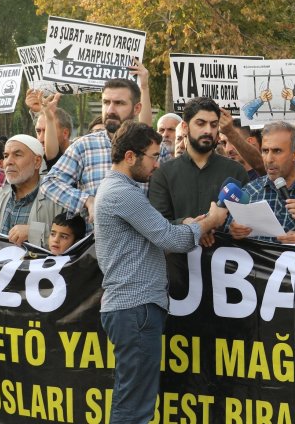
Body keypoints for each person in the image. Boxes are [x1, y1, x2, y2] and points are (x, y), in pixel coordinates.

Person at [95, 121, 227, 424]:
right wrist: (211, 221)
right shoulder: (122, 193)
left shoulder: (118, 189)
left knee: (133, 399)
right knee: (135, 406)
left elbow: (161, 233)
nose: (157, 165)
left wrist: (192, 225)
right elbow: (170, 239)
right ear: (130, 156)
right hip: (136, 307)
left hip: (133, 307)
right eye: (153, 156)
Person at [41, 78, 169, 223]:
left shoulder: (157, 149)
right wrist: (87, 201)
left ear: (137, 108)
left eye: (119, 103)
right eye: (106, 102)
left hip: (145, 234)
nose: (110, 110)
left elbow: (168, 196)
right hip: (95, 236)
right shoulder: (84, 146)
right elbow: (50, 183)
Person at [228, 121, 295, 243]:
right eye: (265, 151)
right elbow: (228, 233)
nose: (269, 159)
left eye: (277, 151)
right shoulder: (250, 191)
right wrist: (234, 230)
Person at [149, 97, 249, 223]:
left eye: (214, 125)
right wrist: (185, 225)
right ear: (185, 127)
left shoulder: (236, 171)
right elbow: (157, 224)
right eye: (200, 123)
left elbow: (245, 219)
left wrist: (236, 228)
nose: (208, 130)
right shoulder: (163, 174)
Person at [0, 135, 65, 248]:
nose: (9, 162)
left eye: (17, 155)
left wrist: (34, 232)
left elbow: (74, 238)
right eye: (6, 156)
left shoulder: (58, 198)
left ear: (37, 161)